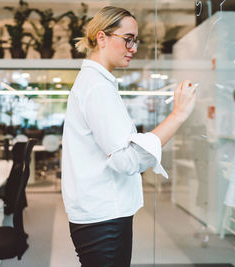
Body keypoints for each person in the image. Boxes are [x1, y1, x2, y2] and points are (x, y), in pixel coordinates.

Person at [61, 6, 196, 267]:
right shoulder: (98, 87)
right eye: (128, 39)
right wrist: (177, 115)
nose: (133, 48)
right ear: (101, 38)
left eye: (136, 40)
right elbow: (126, 161)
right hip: (103, 217)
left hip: (99, 214)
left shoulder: (96, 82)